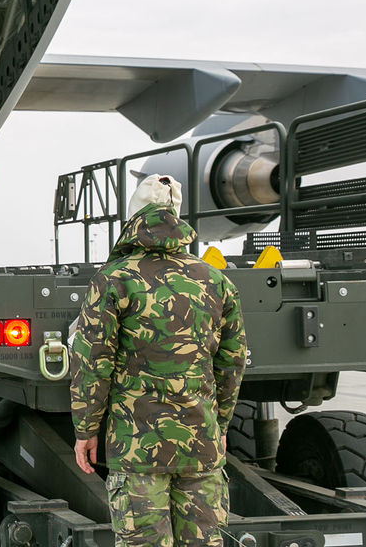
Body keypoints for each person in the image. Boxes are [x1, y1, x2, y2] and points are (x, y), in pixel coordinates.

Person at [70, 175, 247, 546]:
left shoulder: (114, 279)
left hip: (138, 451)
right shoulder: (216, 281)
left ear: (133, 219)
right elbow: (232, 363)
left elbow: (92, 363)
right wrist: (221, 424)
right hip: (201, 444)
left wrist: (86, 430)